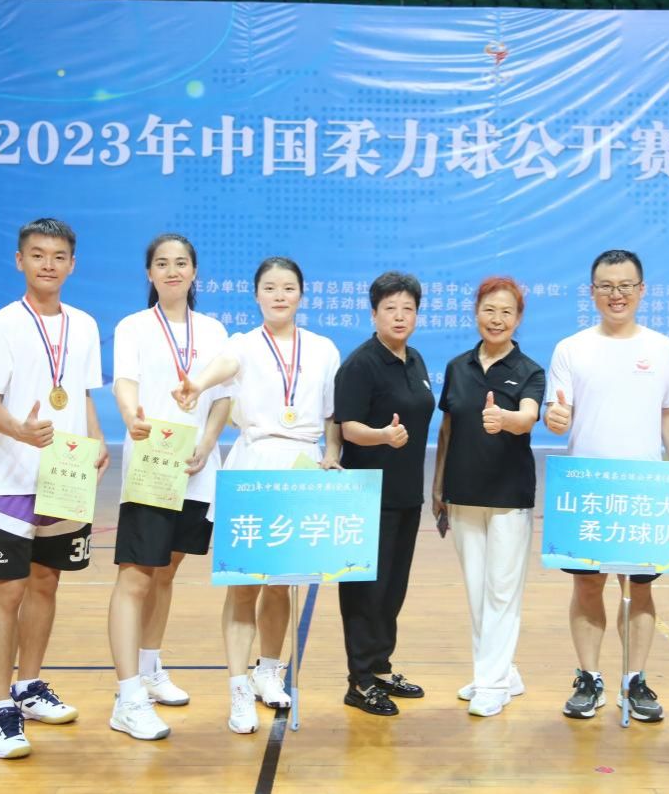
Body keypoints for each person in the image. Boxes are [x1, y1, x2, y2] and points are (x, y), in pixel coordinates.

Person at [172, 256, 342, 734]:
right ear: (256, 295)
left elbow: (333, 413)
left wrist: (331, 453)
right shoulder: (242, 344)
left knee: (282, 582)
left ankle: (269, 671)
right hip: (253, 464)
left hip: (303, 465)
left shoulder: (323, 349)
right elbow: (222, 368)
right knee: (244, 583)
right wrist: (197, 383)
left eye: (288, 287)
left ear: (301, 294)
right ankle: (238, 687)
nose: (279, 295)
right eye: (270, 287)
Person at [0, 218, 108, 759]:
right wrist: (20, 431)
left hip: (65, 475)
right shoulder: (0, 325)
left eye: (58, 256)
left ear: (72, 264)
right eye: (37, 254)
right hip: (12, 477)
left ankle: (28, 687)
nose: (48, 264)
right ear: (20, 260)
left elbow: (83, 393)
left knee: (47, 582)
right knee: (7, 592)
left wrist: (99, 439)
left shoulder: (85, 325)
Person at [544, 250, 669, 723]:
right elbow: (558, 414)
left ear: (642, 290)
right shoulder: (571, 348)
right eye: (606, 286)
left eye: (625, 285)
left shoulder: (663, 347)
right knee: (588, 586)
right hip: (588, 488)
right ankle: (589, 677)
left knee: (638, 589)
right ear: (592, 293)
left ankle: (635, 680)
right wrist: (556, 418)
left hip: (643, 489)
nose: (616, 294)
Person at [106, 233, 232, 740]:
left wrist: (207, 442)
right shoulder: (133, 327)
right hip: (152, 465)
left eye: (181, 262)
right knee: (136, 576)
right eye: (162, 263)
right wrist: (130, 416)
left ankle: (150, 669)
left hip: (197, 468)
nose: (172, 270)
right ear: (149, 273)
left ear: (195, 271)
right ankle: (127, 696)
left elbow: (222, 397)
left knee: (166, 570)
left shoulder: (214, 330)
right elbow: (125, 382)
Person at [432, 277, 545, 717]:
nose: (497, 319)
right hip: (462, 494)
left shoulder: (529, 370)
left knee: (502, 591)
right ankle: (497, 672)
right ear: (476, 312)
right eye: (489, 310)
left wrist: (505, 419)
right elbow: (447, 429)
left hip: (508, 496)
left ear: (519, 319)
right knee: (478, 590)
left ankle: (493, 683)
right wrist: (438, 486)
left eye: (506, 312)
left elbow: (529, 418)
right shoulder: (457, 366)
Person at [334, 271, 435, 716]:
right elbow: (347, 427)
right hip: (366, 493)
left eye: (407, 308)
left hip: (405, 493)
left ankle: (379, 667)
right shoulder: (361, 364)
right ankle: (359, 680)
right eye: (390, 308)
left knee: (392, 588)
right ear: (373, 313)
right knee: (364, 589)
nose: (399, 316)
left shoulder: (415, 360)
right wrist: (382, 436)